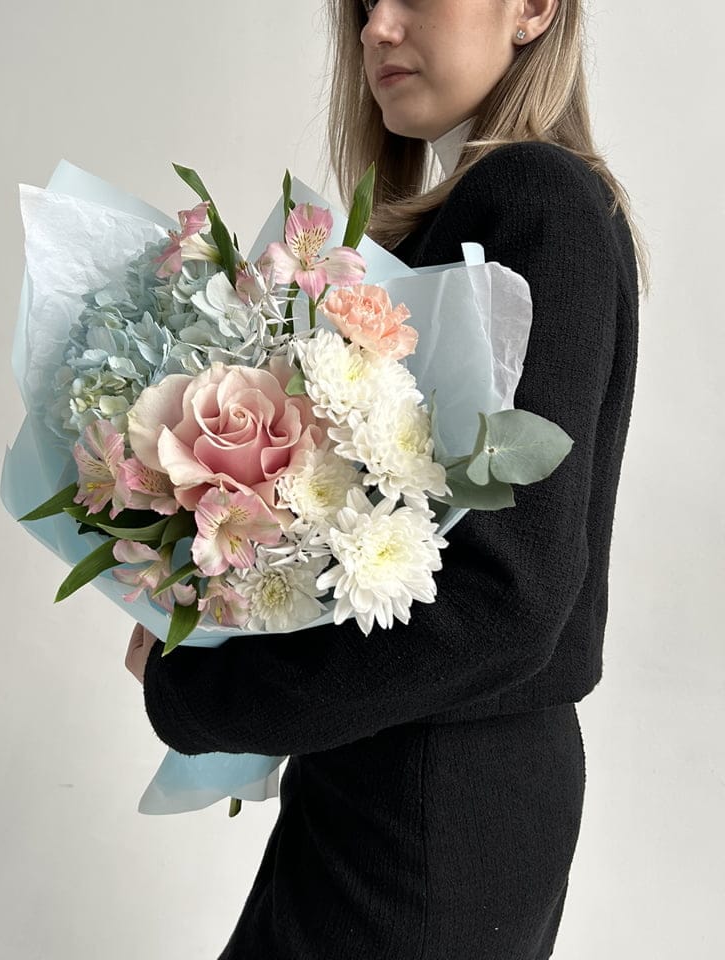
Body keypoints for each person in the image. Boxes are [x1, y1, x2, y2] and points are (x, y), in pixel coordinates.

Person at [125, 0, 647, 957]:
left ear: (534, 8)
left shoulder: (536, 197)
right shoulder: (492, 209)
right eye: (365, 3)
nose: (375, 28)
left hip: (435, 796)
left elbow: (509, 597)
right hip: (411, 780)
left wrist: (207, 691)